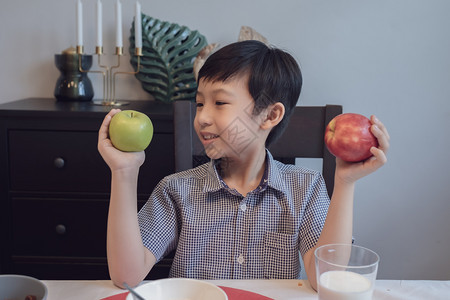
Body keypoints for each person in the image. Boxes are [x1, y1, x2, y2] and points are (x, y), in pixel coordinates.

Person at [97, 40, 390, 290]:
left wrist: (345, 183)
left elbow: (327, 278)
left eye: (220, 103)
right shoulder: (177, 190)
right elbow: (126, 277)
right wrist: (123, 172)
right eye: (200, 103)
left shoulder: (306, 187)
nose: (202, 118)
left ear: (270, 115)